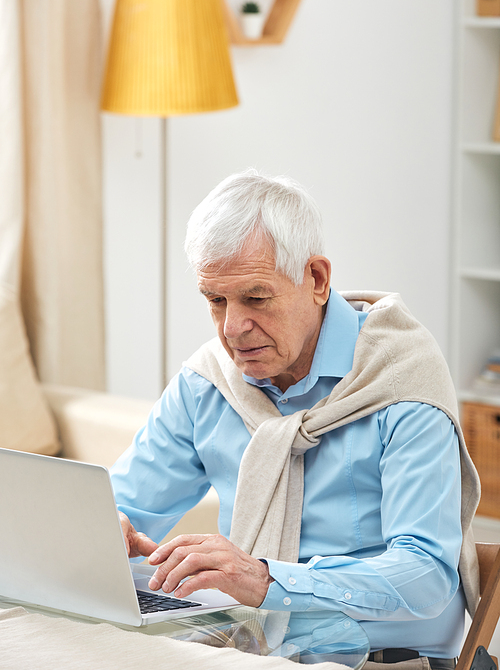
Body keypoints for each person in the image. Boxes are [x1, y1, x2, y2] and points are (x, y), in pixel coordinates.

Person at [111, 170, 480, 669]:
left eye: (255, 298)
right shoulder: (209, 383)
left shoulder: (400, 380)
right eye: (216, 301)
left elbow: (426, 576)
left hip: (384, 658)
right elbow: (123, 506)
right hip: (246, 647)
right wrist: (106, 528)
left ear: (318, 280)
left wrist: (267, 579)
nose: (233, 329)